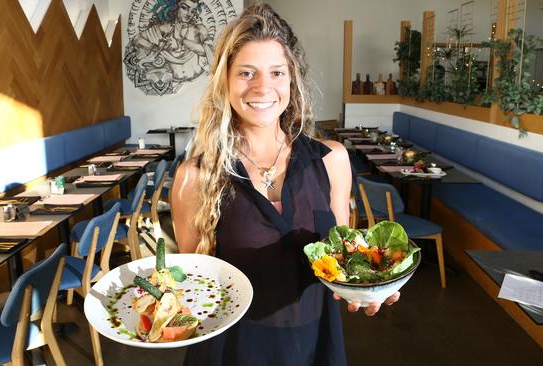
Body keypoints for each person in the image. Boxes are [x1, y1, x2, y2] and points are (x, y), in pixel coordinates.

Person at [171, 4, 399, 365]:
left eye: (277, 72)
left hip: (313, 342)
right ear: (225, 82)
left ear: (292, 81)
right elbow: (194, 285)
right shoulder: (195, 177)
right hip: (232, 349)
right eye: (247, 73)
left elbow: (342, 260)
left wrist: (369, 286)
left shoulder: (332, 160)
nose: (263, 87)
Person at [131, 0, 214, 88]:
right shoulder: (164, 28)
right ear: (175, 7)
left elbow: (208, 52)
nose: (189, 14)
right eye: (184, 8)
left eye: (193, 11)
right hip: (174, 84)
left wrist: (181, 40)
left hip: (197, 82)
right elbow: (137, 39)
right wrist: (155, 47)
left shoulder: (198, 29)